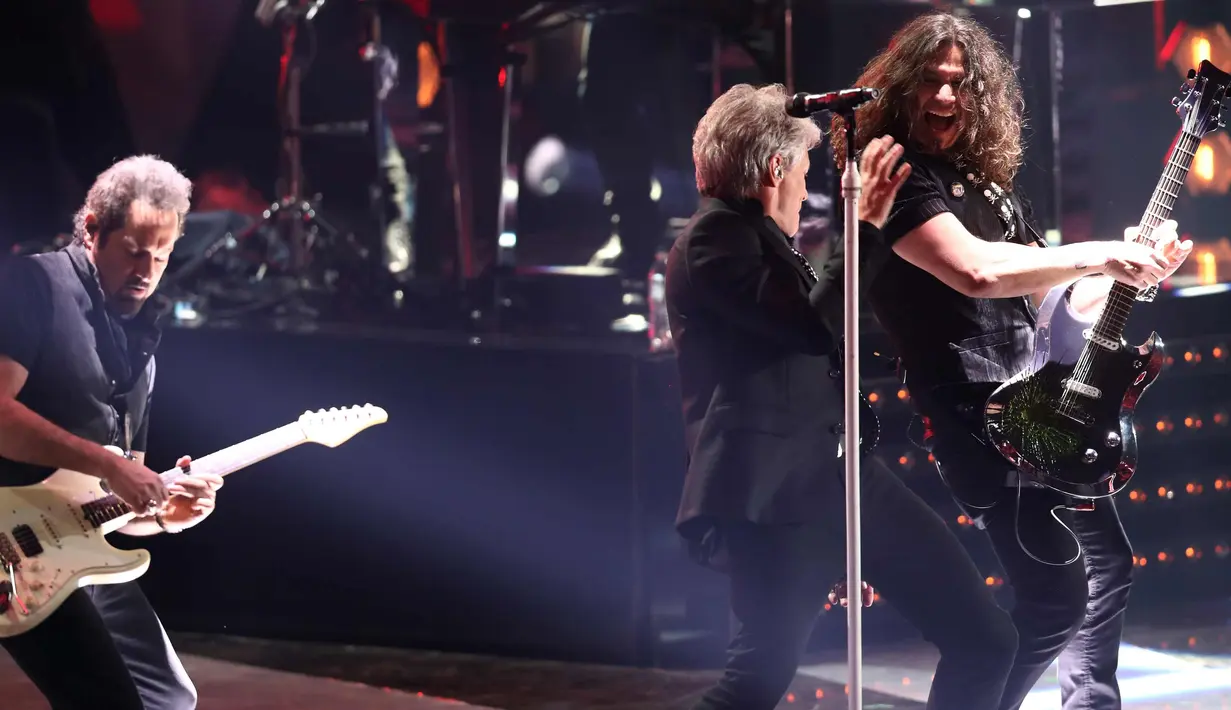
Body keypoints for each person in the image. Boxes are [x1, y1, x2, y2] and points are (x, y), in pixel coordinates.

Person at [830, 12, 1192, 710]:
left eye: (959, 84)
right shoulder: (898, 184)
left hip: (1043, 407)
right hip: (978, 417)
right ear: (901, 89)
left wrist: (1136, 268)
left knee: (1104, 566)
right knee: (1054, 598)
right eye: (930, 83)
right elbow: (975, 272)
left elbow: (1051, 297)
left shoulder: (981, 181)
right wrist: (1098, 253)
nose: (944, 99)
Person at [665, 82, 1021, 710]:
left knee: (984, 638)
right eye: (804, 172)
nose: (807, 190)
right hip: (778, 497)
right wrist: (864, 228)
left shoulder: (763, 239)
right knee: (755, 681)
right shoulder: (713, 237)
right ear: (776, 168)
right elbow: (810, 326)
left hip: (847, 481)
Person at [0, 155, 225, 709]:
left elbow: (115, 498)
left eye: (162, 255)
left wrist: (167, 515)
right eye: (133, 251)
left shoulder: (140, 351)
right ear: (94, 229)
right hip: (9, 542)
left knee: (168, 698)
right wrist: (109, 465)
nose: (147, 270)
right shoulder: (38, 286)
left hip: (72, 550)